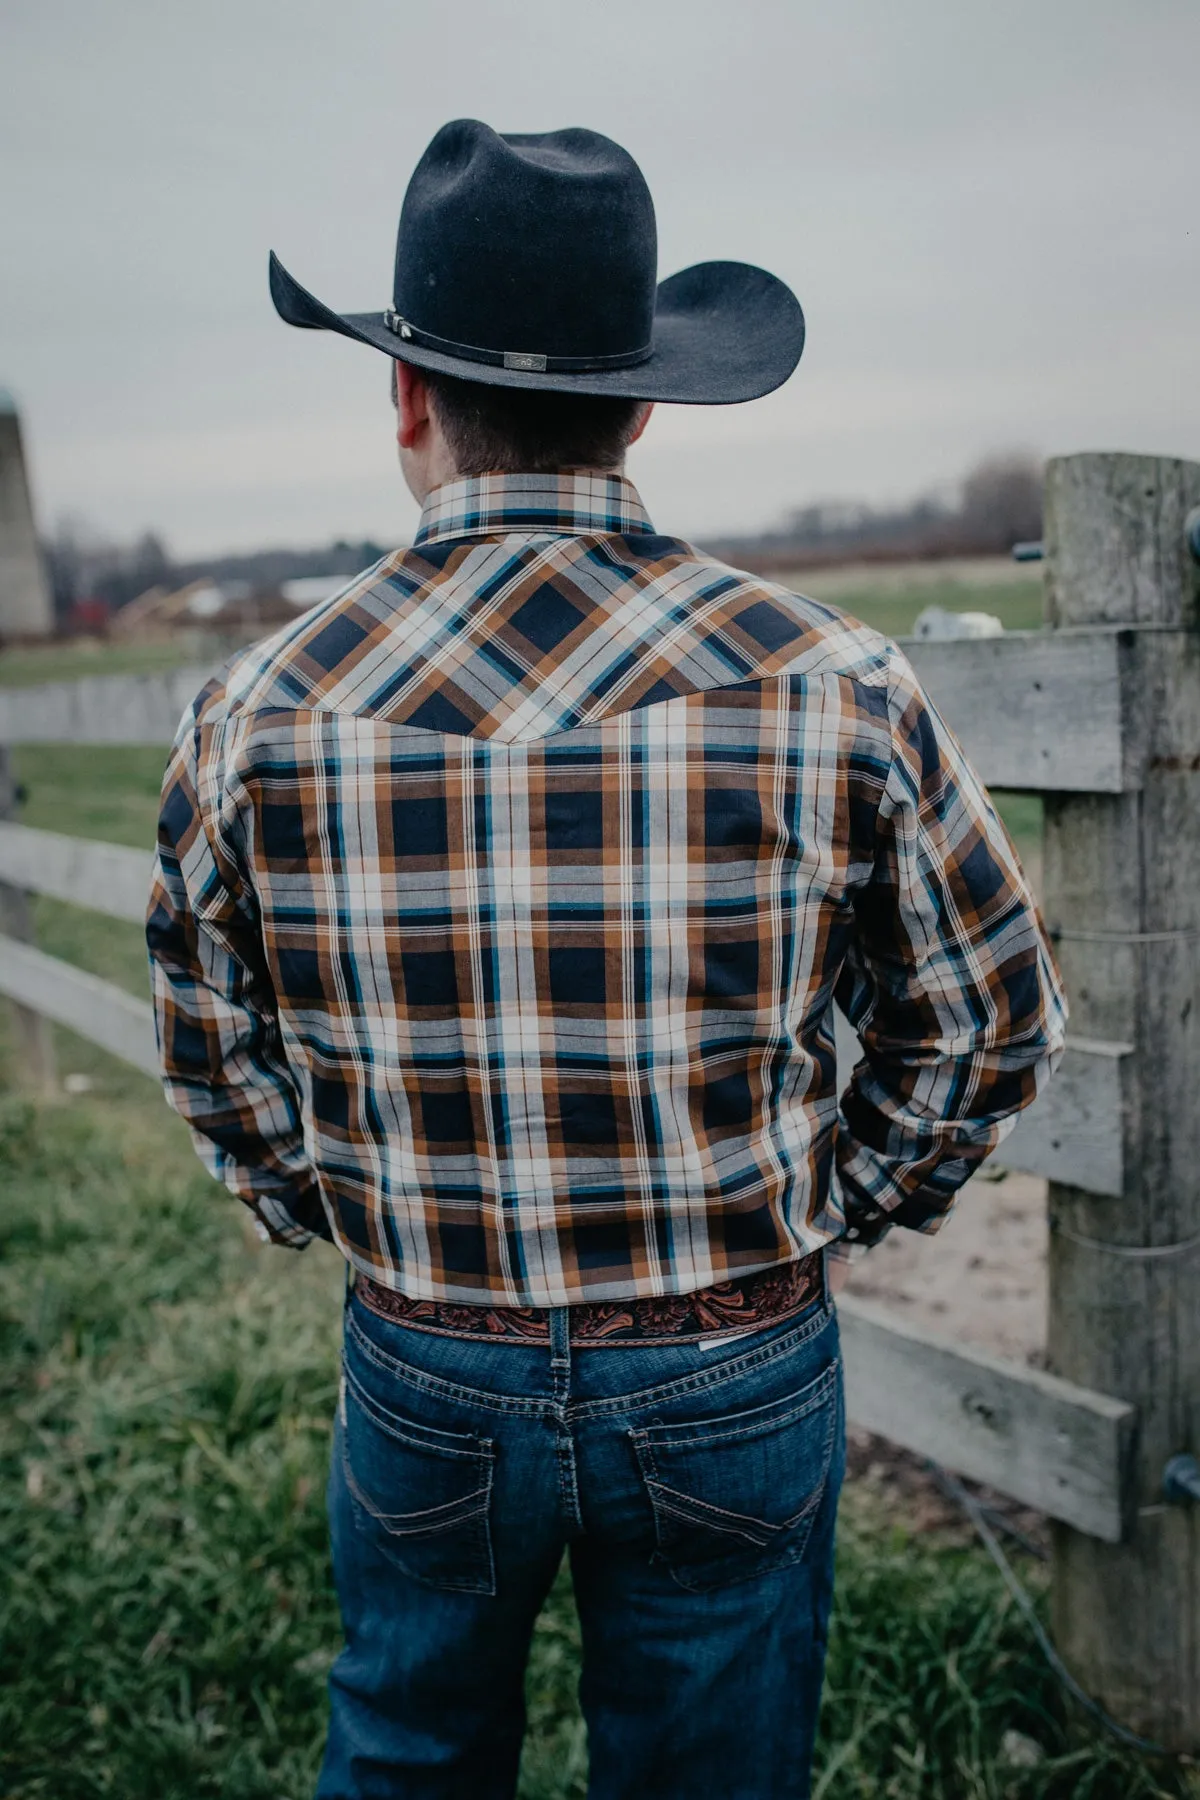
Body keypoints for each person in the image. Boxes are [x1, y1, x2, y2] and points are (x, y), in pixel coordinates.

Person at [146, 119, 1067, 1800]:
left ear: (406, 399)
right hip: (732, 1351)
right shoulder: (832, 679)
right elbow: (993, 1024)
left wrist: (336, 1207)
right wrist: (829, 1203)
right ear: (645, 403)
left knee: (409, 1749)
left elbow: (215, 1057)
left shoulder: (255, 706)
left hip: (426, 1354)